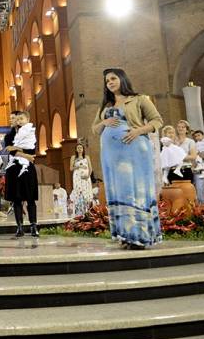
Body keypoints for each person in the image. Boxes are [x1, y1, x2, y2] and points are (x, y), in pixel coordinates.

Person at [91, 68, 163, 250]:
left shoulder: (139, 99)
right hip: (111, 156)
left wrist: (138, 131)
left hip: (134, 150)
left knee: (135, 190)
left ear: (122, 79)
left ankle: (140, 237)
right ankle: (125, 235)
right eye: (107, 81)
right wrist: (104, 122)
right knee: (117, 191)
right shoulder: (106, 105)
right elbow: (94, 129)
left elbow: (157, 121)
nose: (110, 83)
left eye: (113, 78)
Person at [5, 111, 39, 237]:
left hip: (28, 168)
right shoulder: (9, 136)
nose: (14, 120)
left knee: (30, 198)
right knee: (17, 199)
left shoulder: (29, 133)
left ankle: (33, 226)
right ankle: (19, 227)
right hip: (14, 169)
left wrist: (18, 149)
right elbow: (10, 151)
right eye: (13, 118)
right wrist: (26, 155)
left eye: (16, 118)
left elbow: (32, 150)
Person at [69, 143, 93, 217]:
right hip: (77, 177)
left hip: (86, 178)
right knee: (79, 192)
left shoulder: (87, 157)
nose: (79, 149)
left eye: (81, 148)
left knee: (86, 192)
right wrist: (79, 166)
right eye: (78, 148)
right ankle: (79, 211)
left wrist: (88, 176)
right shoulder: (73, 157)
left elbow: (90, 168)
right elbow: (71, 168)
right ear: (76, 149)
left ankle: (87, 211)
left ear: (83, 149)